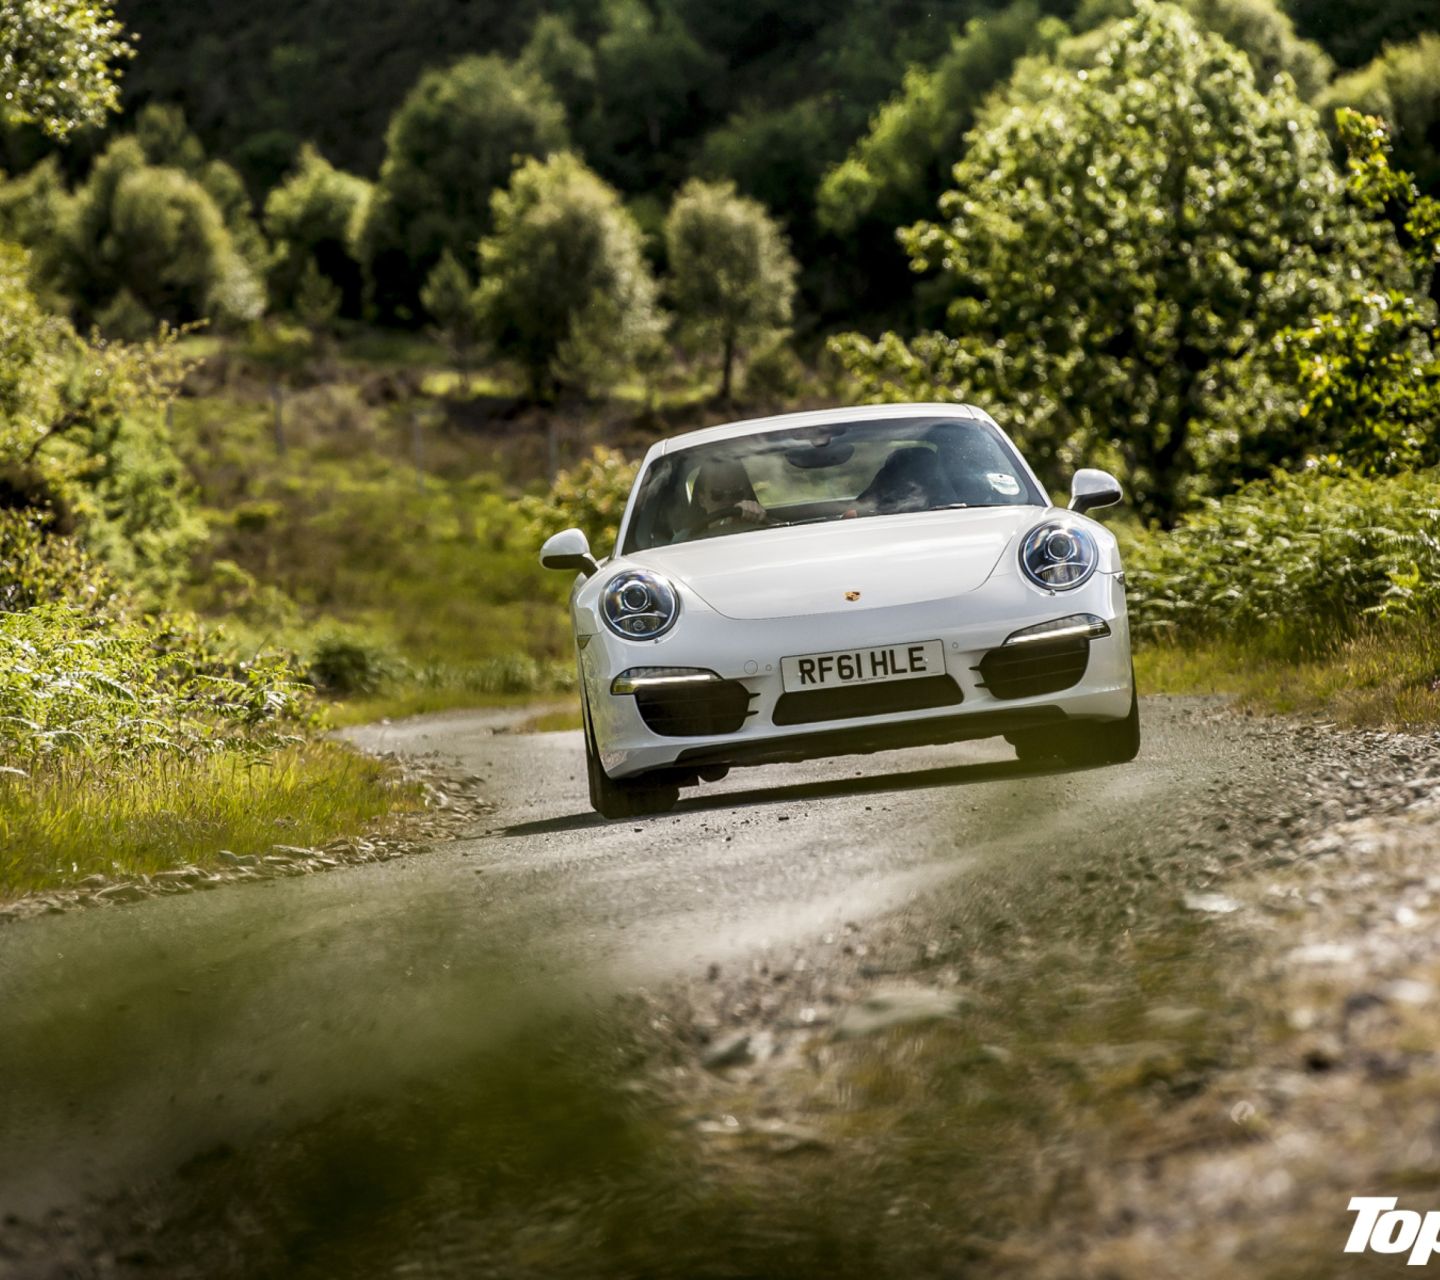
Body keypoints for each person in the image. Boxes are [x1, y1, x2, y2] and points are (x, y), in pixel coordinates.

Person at [680, 458, 769, 539]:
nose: (727, 501)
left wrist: (758, 521)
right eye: (717, 493)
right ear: (702, 500)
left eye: (736, 492)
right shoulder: (684, 539)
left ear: (747, 494)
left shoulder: (768, 530)